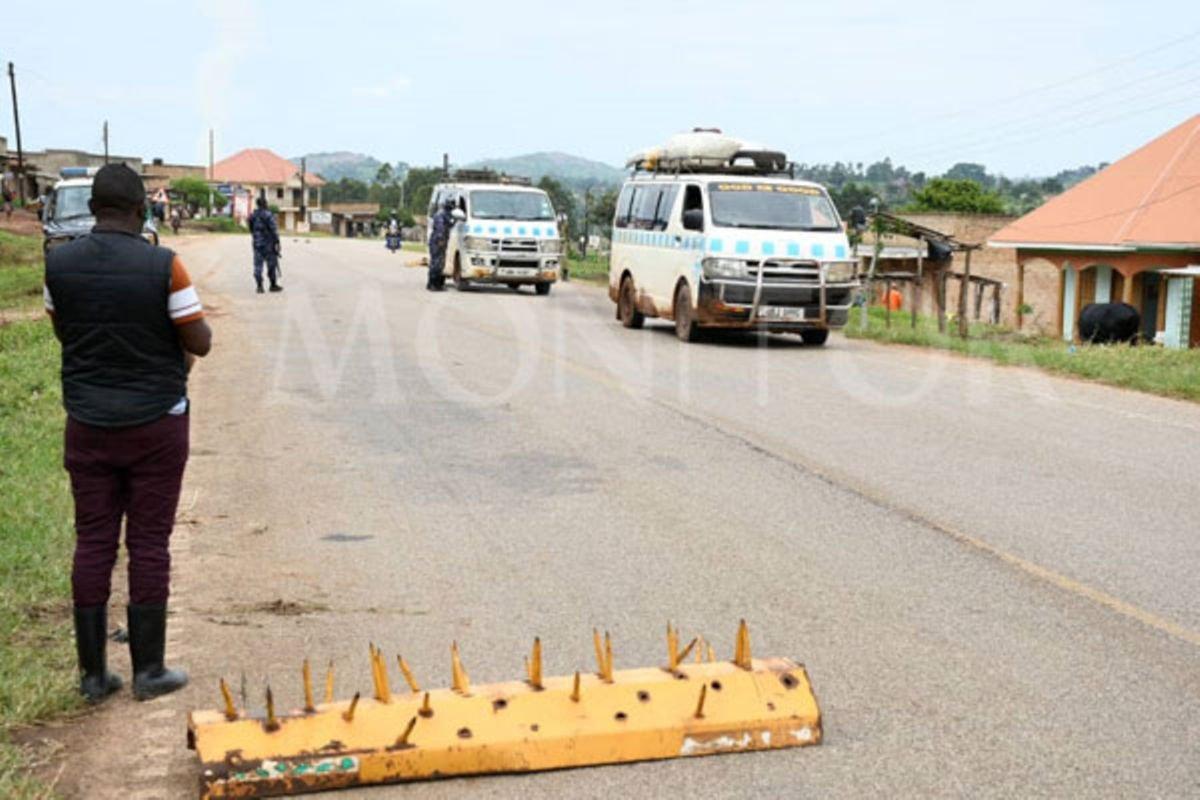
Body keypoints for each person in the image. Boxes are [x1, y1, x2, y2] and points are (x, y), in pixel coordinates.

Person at [43, 163, 213, 704]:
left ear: (93, 208)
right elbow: (201, 341)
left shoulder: (58, 265)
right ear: (142, 208)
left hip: (87, 423)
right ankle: (149, 671)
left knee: (92, 541)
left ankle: (93, 678)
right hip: (156, 424)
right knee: (148, 543)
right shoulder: (166, 266)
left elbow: (64, 333)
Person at [248, 197, 282, 294]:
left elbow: (250, 229)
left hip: (257, 244)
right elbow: (274, 229)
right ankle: (273, 285)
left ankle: (259, 286)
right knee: (271, 265)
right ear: (265, 204)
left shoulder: (253, 215)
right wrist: (277, 241)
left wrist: (256, 236)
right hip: (269, 244)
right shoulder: (268, 215)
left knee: (258, 266)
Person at [427, 197, 458, 291]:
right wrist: (441, 240)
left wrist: (455, 220)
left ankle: (436, 284)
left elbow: (449, 225)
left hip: (440, 241)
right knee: (436, 263)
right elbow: (440, 229)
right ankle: (433, 284)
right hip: (437, 242)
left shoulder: (445, 214)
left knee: (439, 263)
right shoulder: (441, 215)